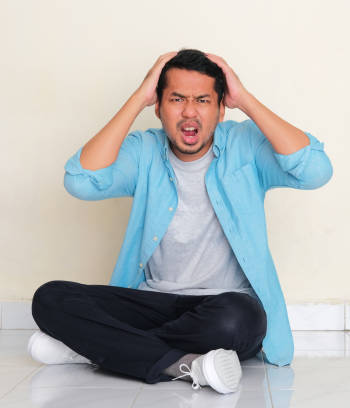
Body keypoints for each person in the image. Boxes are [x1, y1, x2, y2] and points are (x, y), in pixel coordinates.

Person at [28, 49, 333, 394]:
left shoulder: (244, 145)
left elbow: (315, 170)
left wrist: (245, 100)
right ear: (158, 107)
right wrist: (139, 96)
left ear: (220, 108)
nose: (189, 111)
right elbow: (80, 181)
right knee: (49, 298)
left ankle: (94, 348)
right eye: (176, 99)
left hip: (222, 306)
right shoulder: (143, 151)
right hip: (152, 303)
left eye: (203, 100)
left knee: (240, 317)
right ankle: (183, 364)